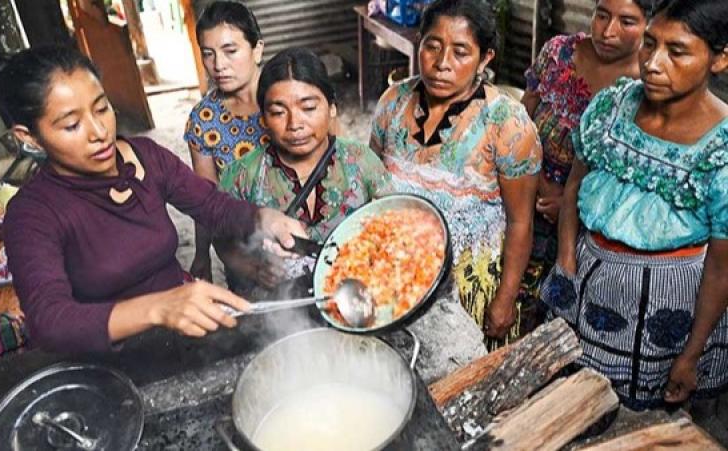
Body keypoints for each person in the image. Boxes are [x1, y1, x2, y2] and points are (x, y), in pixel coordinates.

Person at [0, 46, 305, 354]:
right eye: (72, 125)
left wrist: (263, 218)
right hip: (112, 359)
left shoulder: (147, 156)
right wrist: (159, 308)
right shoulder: (31, 214)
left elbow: (212, 206)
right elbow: (50, 321)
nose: (100, 132)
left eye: (101, 108)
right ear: (28, 136)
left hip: (185, 331)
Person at [544, 0, 728, 409]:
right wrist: (567, 265)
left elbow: (721, 264)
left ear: (719, 60)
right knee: (576, 404)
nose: (653, 63)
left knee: (642, 422)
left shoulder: (722, 148)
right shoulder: (611, 107)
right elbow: (574, 186)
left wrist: (691, 355)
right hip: (589, 284)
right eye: (649, 44)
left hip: (668, 308)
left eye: (676, 51)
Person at [370, 0, 542, 350]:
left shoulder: (507, 124)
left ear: (486, 59)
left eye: (461, 52)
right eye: (432, 46)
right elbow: (370, 188)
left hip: (468, 288)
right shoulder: (392, 102)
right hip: (397, 277)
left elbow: (521, 222)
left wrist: (505, 300)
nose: (442, 63)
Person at [518, 0, 654, 324]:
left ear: (650, 26)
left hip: (584, 225)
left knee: (556, 314)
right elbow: (520, 119)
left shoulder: (646, 88)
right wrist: (538, 184)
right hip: (522, 191)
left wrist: (566, 202)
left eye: (627, 21)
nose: (608, 31)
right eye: (602, 15)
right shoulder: (559, 53)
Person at [218, 47, 392, 299]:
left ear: (332, 108)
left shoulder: (361, 162)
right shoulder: (242, 176)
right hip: (279, 313)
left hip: (353, 299)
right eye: (278, 112)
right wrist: (253, 269)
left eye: (309, 108)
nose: (295, 125)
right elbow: (221, 238)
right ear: (264, 118)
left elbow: (395, 223)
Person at [184, 1, 268, 281]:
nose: (218, 65)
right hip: (244, 252)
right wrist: (202, 254)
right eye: (208, 54)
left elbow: (335, 161)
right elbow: (206, 199)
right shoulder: (204, 120)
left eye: (230, 51)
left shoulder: (292, 98)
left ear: (257, 49)